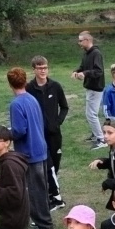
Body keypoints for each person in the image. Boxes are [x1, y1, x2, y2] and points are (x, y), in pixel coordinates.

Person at [8, 67, 55, 229]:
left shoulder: (16, 104)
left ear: (10, 84)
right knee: (40, 187)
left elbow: (20, 130)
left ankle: (45, 224)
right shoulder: (32, 99)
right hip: (40, 148)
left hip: (29, 151)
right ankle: (41, 218)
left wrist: (7, 133)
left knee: (35, 189)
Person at [26, 55, 70, 210]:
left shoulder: (55, 86)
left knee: (54, 165)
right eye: (39, 68)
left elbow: (64, 107)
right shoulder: (29, 89)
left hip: (54, 134)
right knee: (47, 165)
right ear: (34, 70)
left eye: (45, 67)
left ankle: (51, 192)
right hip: (38, 134)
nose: (43, 71)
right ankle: (56, 197)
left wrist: (57, 122)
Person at [72, 31, 107, 147]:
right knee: (91, 113)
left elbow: (98, 71)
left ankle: (101, 140)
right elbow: (82, 67)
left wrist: (85, 73)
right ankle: (95, 135)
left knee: (91, 114)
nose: (79, 43)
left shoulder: (96, 53)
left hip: (96, 88)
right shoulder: (86, 54)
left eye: (81, 40)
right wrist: (76, 71)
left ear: (88, 40)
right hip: (89, 87)